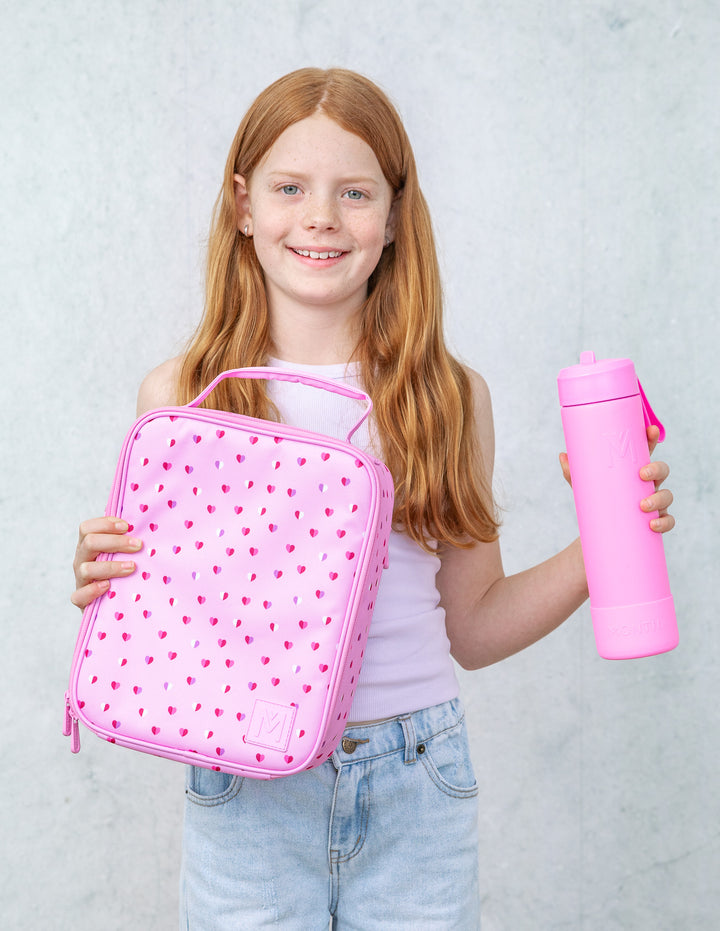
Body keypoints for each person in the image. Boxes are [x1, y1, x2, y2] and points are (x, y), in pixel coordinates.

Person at [71, 68, 675, 930]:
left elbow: (474, 626)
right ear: (243, 205)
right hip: (246, 786)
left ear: (394, 216)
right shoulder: (187, 393)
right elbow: (171, 627)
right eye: (290, 188)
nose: (320, 216)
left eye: (354, 192)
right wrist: (107, 586)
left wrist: (608, 541)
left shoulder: (445, 398)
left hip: (414, 780)